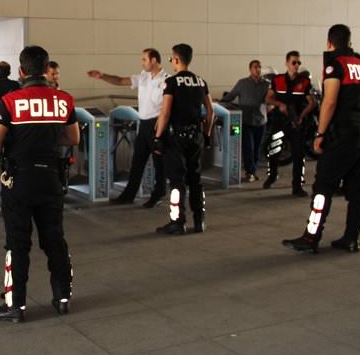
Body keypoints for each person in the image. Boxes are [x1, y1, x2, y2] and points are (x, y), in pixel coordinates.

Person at [0, 46, 80, 323]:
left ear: (22, 71)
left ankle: (16, 307)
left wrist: (7, 153)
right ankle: (62, 299)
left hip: (19, 180)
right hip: (51, 177)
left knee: (18, 244)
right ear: (46, 67)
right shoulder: (63, 99)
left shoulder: (11, 100)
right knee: (54, 240)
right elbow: (72, 137)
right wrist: (47, 141)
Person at [283, 24, 360, 253]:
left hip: (341, 135)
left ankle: (311, 237)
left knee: (323, 186)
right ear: (350, 41)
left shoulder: (335, 66)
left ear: (330, 42)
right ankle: (352, 238)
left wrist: (320, 133)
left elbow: (330, 102)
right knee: (356, 187)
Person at [87, 48, 171, 208]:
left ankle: (158, 194)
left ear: (154, 60)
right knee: (137, 161)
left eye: (144, 59)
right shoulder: (144, 76)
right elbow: (120, 81)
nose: (142, 62)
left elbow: (166, 109)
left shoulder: (166, 80)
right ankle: (128, 194)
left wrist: (160, 132)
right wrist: (102, 76)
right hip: (144, 123)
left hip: (158, 123)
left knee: (159, 162)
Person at [154, 44, 214, 236]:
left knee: (177, 181)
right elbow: (210, 112)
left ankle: (177, 222)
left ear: (177, 59)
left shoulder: (172, 82)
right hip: (196, 136)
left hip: (177, 138)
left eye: (171, 59)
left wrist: (157, 138)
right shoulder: (200, 81)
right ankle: (199, 220)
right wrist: (206, 134)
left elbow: (165, 112)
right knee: (195, 180)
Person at [264, 51, 316, 197]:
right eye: (294, 62)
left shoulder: (304, 82)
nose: (296, 65)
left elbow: (312, 102)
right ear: (286, 63)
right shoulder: (278, 80)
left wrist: (301, 116)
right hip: (280, 122)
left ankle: (297, 186)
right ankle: (272, 176)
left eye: (298, 62)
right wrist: (280, 104)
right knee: (274, 151)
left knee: (299, 155)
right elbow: (268, 98)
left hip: (296, 123)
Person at [220, 60, 270, 182]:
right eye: (255, 67)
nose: (257, 69)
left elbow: (271, 99)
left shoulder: (266, 84)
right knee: (249, 147)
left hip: (261, 120)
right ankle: (250, 171)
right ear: (250, 69)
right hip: (245, 120)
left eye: (259, 67)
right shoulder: (242, 83)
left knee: (257, 148)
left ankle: (253, 170)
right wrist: (220, 102)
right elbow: (230, 96)